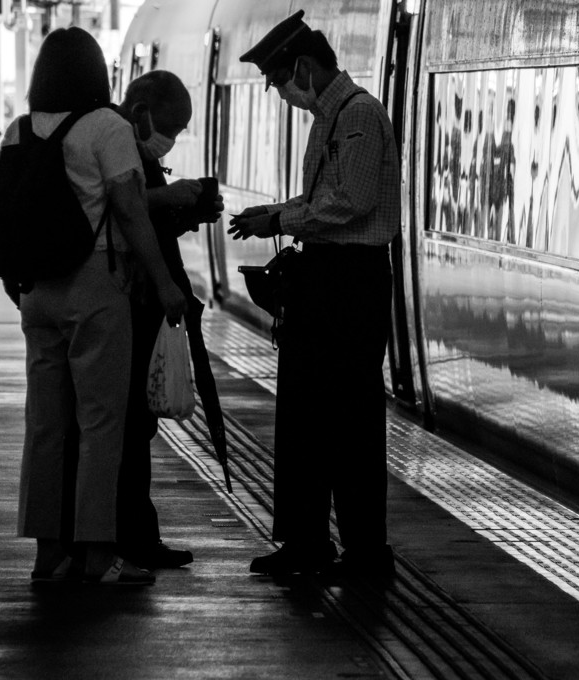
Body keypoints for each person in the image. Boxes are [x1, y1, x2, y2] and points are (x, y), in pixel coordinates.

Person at [13, 27, 186, 585]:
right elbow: (131, 212)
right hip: (94, 285)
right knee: (101, 424)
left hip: (37, 290)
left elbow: (2, 211)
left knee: (45, 426)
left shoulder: (23, 129)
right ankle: (96, 555)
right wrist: (163, 283)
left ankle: (48, 554)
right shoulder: (107, 127)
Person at [230, 10, 400, 579]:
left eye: (279, 81)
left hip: (351, 284)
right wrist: (277, 215)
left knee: (349, 419)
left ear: (303, 66)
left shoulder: (357, 117)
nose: (279, 93)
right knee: (305, 414)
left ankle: (364, 552)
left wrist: (278, 218)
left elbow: (348, 202)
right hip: (327, 278)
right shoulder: (329, 119)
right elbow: (326, 202)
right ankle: (306, 541)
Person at [111, 70, 224, 569]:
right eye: (170, 129)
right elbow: (119, 206)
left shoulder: (135, 143)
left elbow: (147, 219)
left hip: (140, 301)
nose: (169, 141)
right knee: (132, 426)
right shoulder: (116, 137)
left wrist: (187, 210)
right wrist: (169, 197)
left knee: (138, 426)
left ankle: (135, 535)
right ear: (141, 108)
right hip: (129, 302)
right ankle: (132, 539)